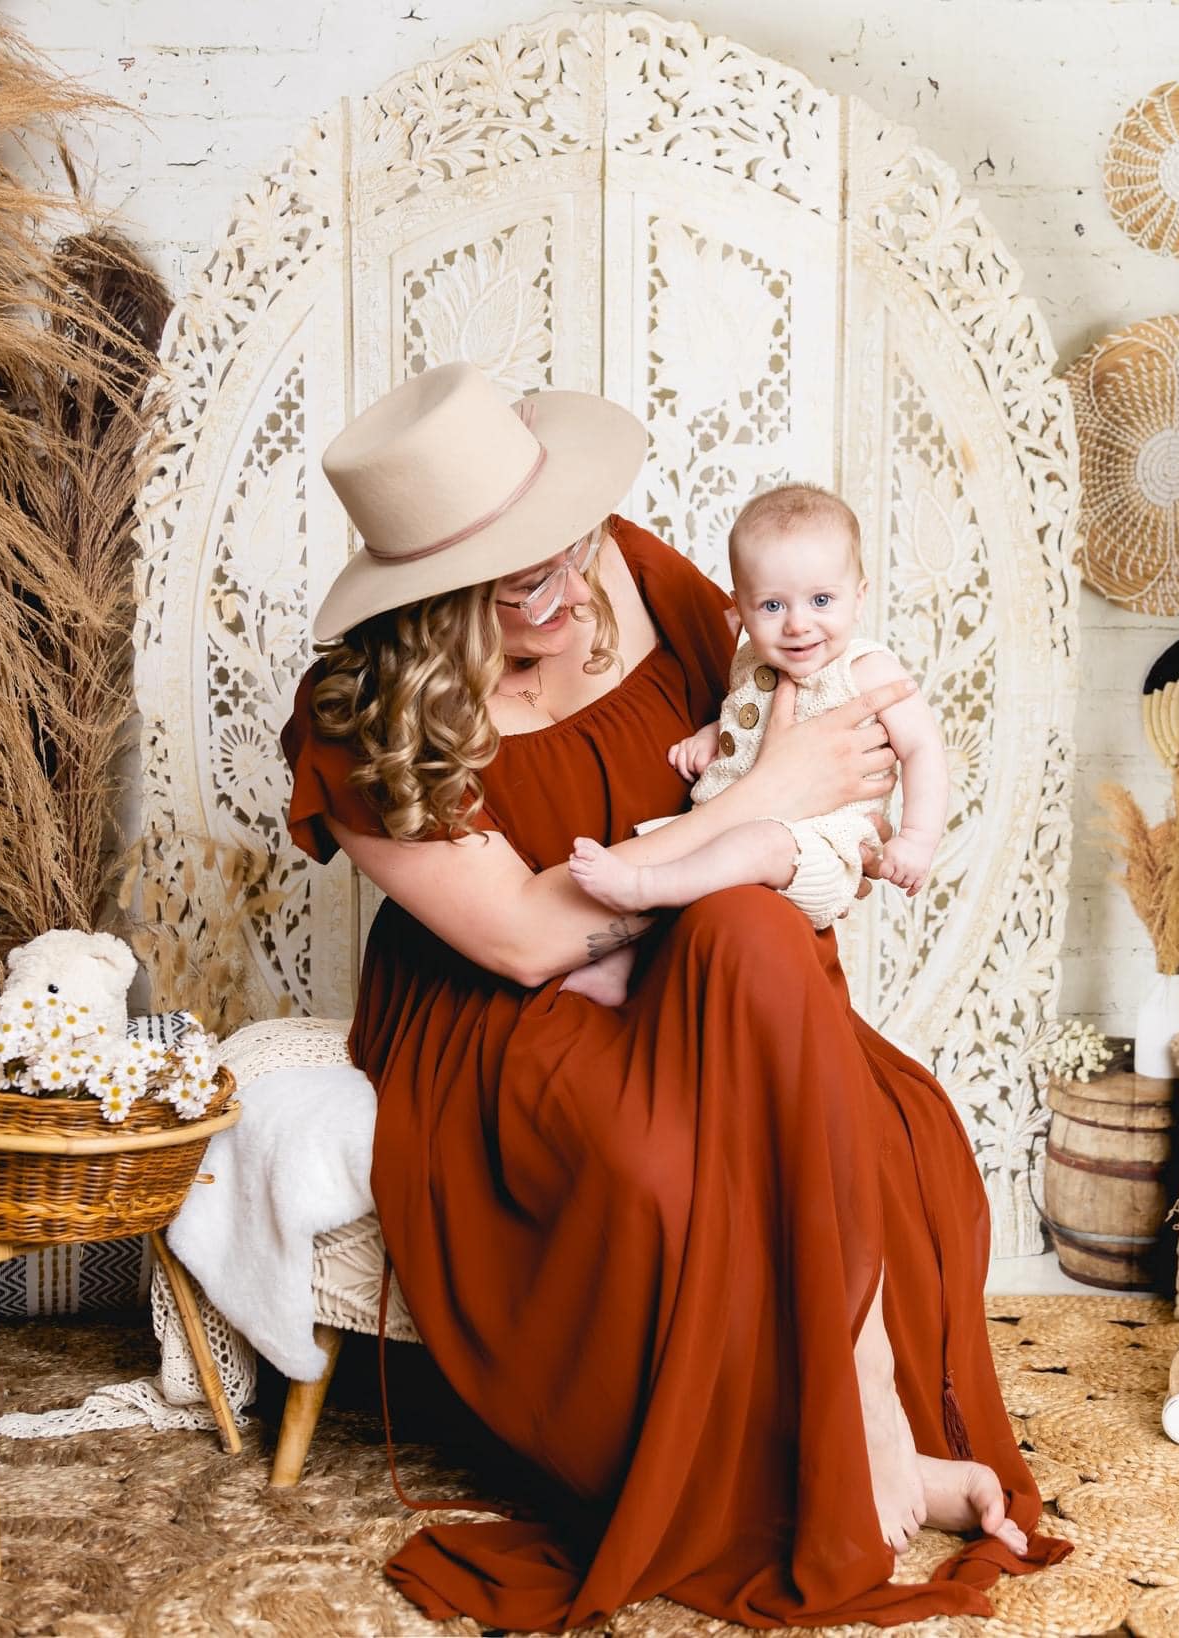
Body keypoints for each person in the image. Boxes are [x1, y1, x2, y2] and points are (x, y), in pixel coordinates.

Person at [280, 361, 1069, 1632]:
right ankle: (860, 1458)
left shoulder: (641, 573)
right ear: (425, 595)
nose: (562, 589)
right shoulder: (359, 716)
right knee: (661, 1173)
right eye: (513, 581)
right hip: (514, 1017)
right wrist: (763, 798)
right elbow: (533, 940)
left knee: (797, 990)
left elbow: (824, 763)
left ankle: (862, 1411)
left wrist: (790, 824)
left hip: (696, 955)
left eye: (563, 546)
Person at [563, 482, 944, 1006]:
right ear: (740, 607)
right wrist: (711, 738)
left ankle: (643, 888)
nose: (797, 624)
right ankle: (619, 966)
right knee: (666, 836)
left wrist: (916, 839)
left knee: (749, 846)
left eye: (821, 600)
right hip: (736, 823)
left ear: (859, 597)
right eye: (771, 605)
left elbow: (924, 750)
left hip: (820, 849)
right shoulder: (752, 665)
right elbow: (748, 717)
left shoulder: (869, 671)